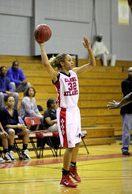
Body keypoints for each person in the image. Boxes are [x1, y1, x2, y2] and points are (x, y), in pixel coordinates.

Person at [37, 36, 96, 187]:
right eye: (69, 60)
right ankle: (64, 176)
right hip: (65, 113)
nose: (72, 62)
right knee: (70, 146)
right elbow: (45, 63)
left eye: (72, 60)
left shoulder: (75, 73)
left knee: (76, 143)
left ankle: (73, 168)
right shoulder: (58, 77)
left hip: (75, 111)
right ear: (62, 63)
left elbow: (92, 64)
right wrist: (42, 46)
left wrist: (89, 48)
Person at [108, 67, 132, 155]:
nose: (131, 72)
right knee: (126, 130)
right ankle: (125, 148)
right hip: (127, 109)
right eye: (129, 71)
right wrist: (119, 104)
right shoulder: (125, 83)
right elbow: (128, 95)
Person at [0, 96, 30, 160]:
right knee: (11, 131)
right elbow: (5, 125)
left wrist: (21, 126)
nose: (11, 103)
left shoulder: (15, 110)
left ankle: (24, 151)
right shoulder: (2, 111)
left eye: (13, 101)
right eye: (9, 101)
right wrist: (17, 126)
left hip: (14, 127)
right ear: (6, 102)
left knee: (26, 131)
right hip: (7, 129)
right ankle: (10, 150)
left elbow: (17, 122)